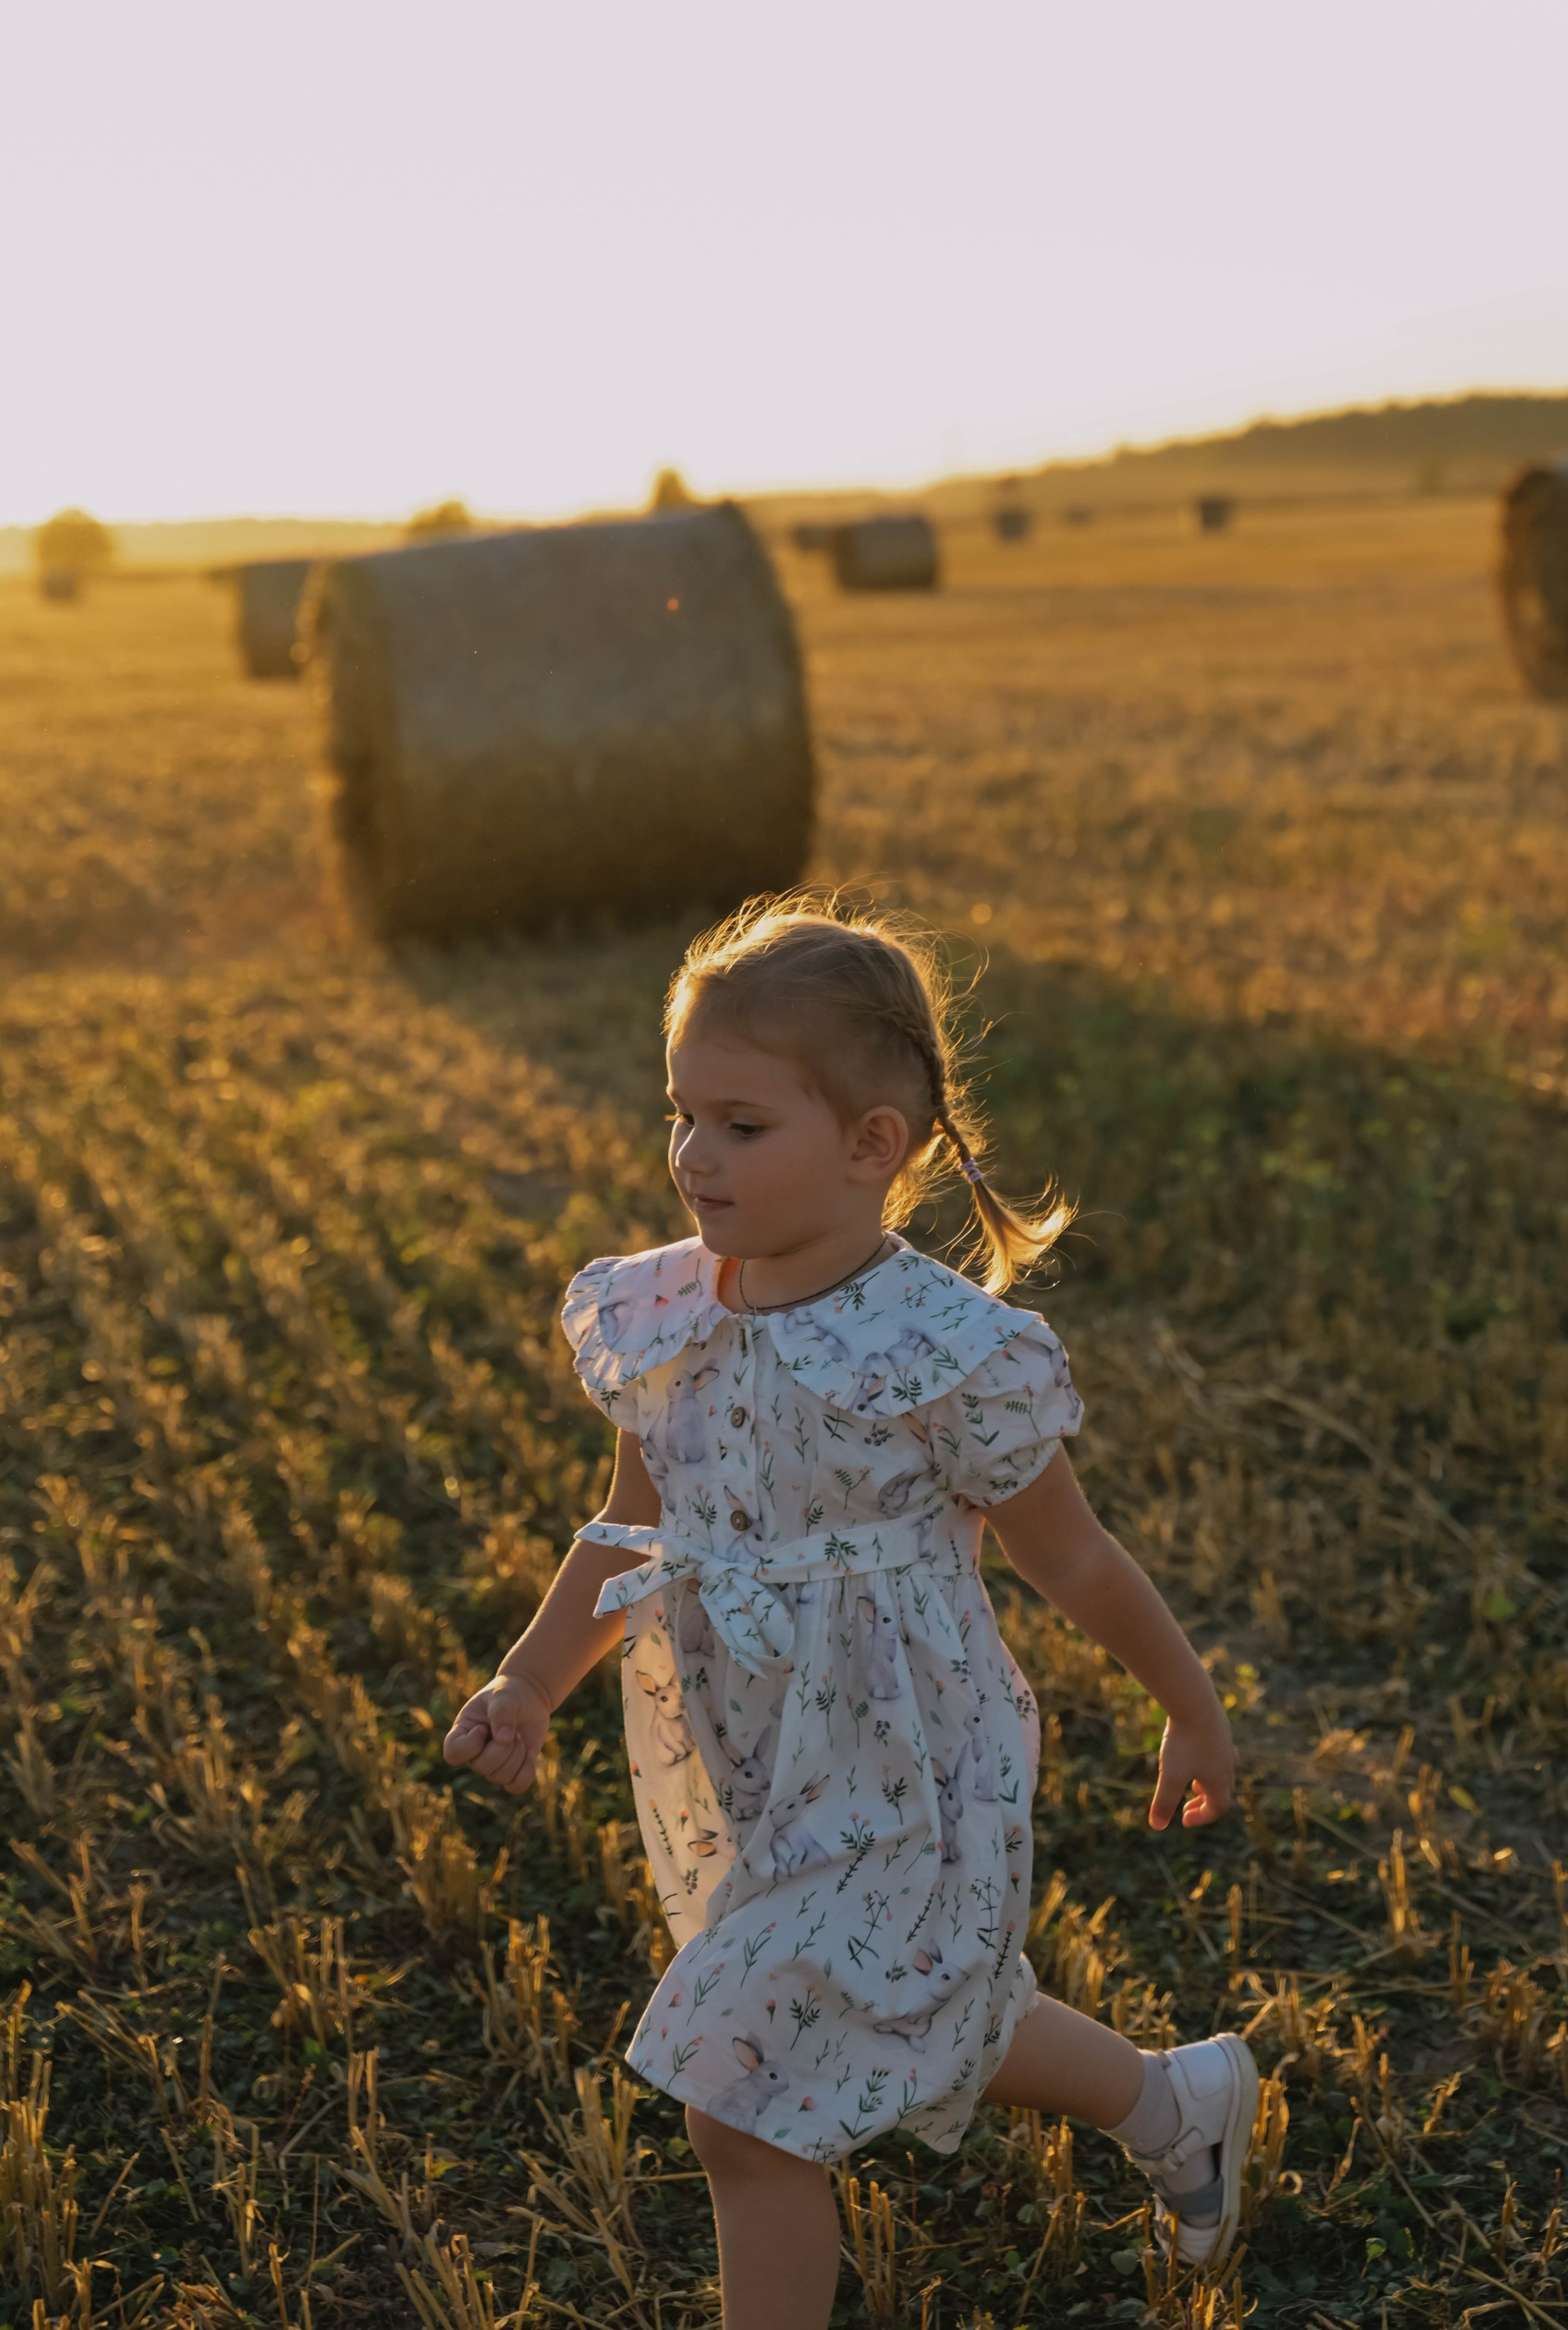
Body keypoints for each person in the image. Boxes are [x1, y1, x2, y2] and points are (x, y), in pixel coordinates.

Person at [444, 896, 1258, 2330]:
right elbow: (635, 1523)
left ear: (874, 1146)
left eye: (742, 1126)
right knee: (913, 2008)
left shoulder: (943, 1350)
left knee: (739, 2110)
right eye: (682, 1115)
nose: (694, 1156)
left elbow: (1072, 1560)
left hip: (906, 1762)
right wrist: (528, 1682)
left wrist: (1188, 1705)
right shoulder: (667, 1321)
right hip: (758, 1759)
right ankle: (1174, 2102)